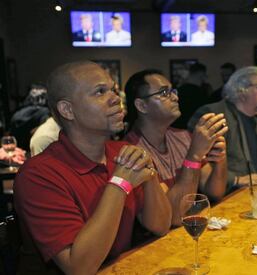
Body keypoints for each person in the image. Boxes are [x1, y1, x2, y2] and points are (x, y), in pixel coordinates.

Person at [14, 61, 171, 274]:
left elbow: (160, 226)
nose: (116, 98)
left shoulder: (122, 151)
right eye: (100, 92)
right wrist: (119, 183)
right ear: (67, 110)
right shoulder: (38, 175)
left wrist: (149, 171)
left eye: (113, 90)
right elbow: (79, 268)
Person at [124, 70, 227, 225]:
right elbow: (173, 217)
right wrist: (194, 156)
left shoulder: (183, 136)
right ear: (142, 105)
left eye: (173, 90)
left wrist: (220, 158)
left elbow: (215, 191)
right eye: (164, 92)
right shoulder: (132, 151)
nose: (175, 97)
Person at [188, 66, 257, 192]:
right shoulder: (214, 114)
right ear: (241, 90)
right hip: (227, 195)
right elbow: (200, 165)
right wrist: (236, 180)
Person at [172, 62, 211, 129]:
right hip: (194, 132)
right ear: (202, 74)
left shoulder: (178, 91)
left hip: (175, 131)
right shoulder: (201, 95)